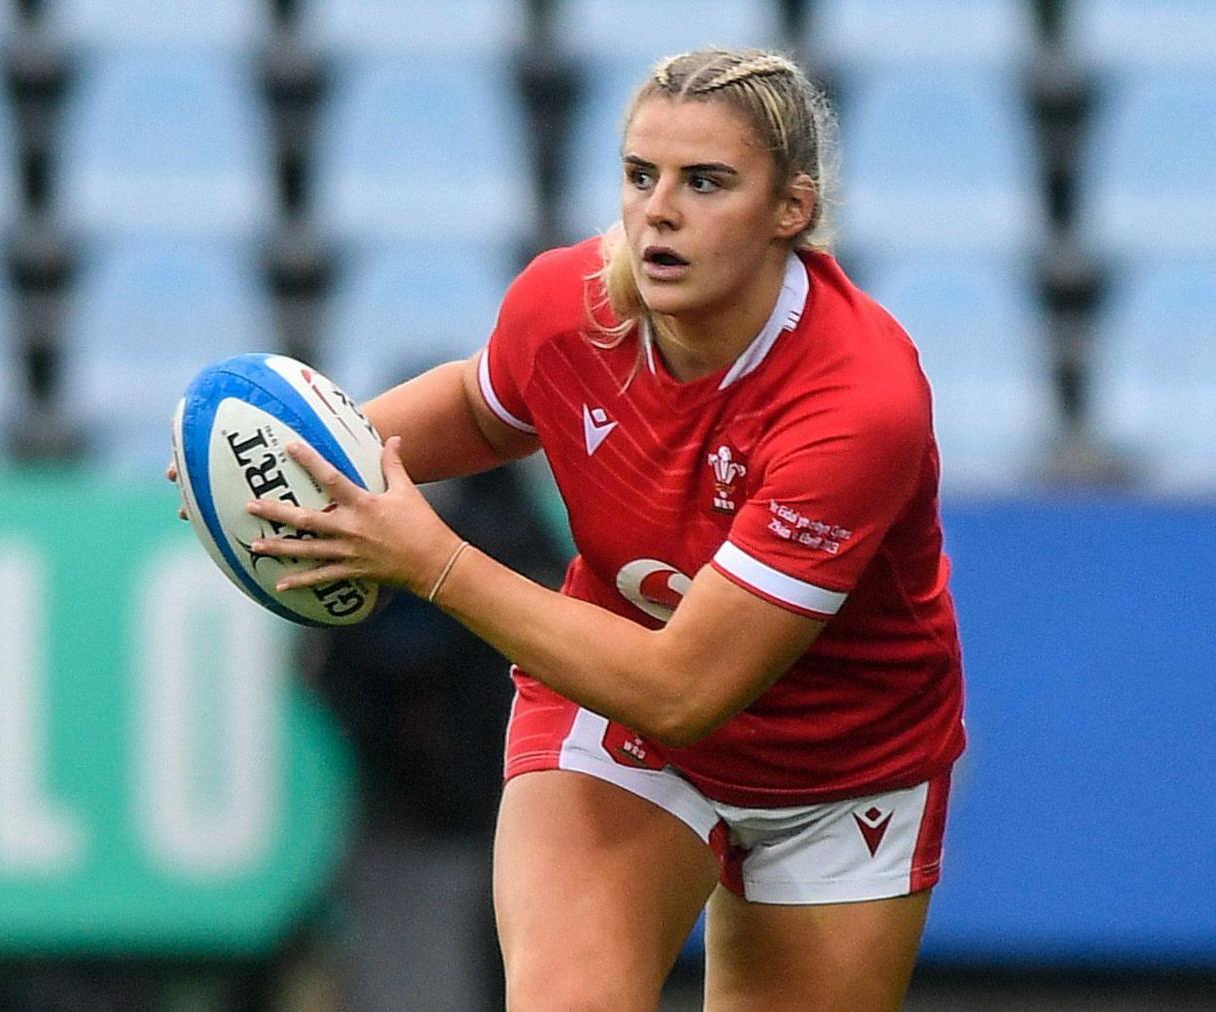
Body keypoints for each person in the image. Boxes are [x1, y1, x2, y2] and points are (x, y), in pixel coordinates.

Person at [239, 48, 966, 1009]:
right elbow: (482, 404)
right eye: (640, 175)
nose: (658, 210)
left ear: (792, 209)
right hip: (618, 718)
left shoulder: (858, 402)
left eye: (706, 182)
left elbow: (685, 688)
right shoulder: (563, 303)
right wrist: (315, 466)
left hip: (841, 764)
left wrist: (434, 561)